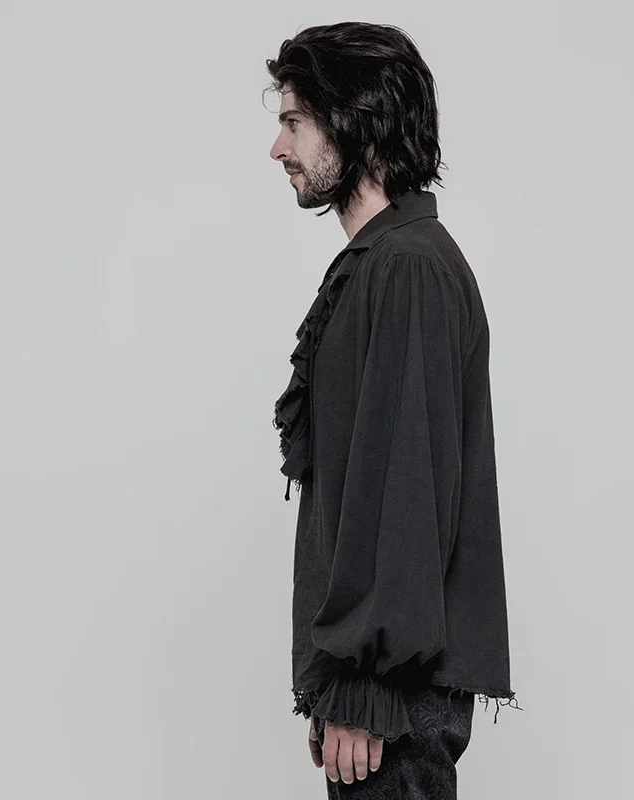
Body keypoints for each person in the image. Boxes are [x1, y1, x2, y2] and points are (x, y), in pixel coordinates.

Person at [265, 22, 521, 798]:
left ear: (357, 122)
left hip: (393, 703)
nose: (277, 148)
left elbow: (407, 496)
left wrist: (365, 691)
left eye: (294, 121)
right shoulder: (380, 264)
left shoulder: (407, 269)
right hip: (381, 698)